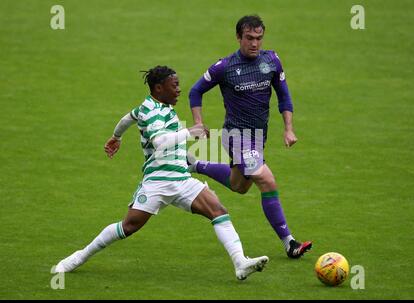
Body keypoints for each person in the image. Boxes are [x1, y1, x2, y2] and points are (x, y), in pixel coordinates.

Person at [54, 66, 269, 281]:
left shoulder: (153, 106)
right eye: (174, 85)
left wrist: (116, 136)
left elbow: (128, 117)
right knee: (128, 226)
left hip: (181, 179)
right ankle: (78, 257)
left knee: (218, 211)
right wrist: (189, 132)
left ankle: (240, 263)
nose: (179, 90)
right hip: (157, 181)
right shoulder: (153, 112)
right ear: (159, 88)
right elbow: (159, 142)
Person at [188, 15, 312, 258]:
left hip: (257, 138)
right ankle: (290, 243)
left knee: (239, 186)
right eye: (249, 38)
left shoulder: (272, 61)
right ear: (238, 38)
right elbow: (195, 91)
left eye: (259, 38)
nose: (255, 43)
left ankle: (195, 163)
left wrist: (288, 128)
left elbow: (284, 97)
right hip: (236, 135)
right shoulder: (224, 67)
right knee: (267, 180)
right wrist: (198, 123)